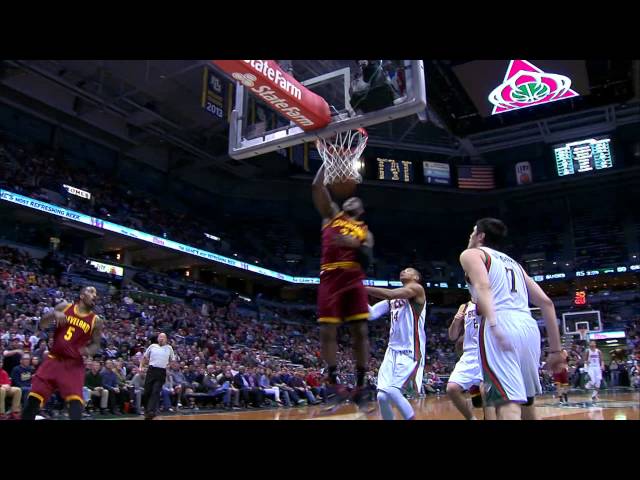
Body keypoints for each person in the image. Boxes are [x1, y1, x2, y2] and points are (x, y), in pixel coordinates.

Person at [459, 218, 565, 420]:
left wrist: (493, 324)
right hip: (528, 326)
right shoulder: (514, 264)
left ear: (481, 236)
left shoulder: (471, 254)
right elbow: (546, 303)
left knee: (507, 403)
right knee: (526, 403)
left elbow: (483, 286)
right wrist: (556, 351)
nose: (470, 236)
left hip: (501, 322)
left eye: (473, 231)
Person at [312, 164, 374, 409]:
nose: (351, 200)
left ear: (362, 210)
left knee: (360, 331)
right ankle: (333, 383)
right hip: (330, 275)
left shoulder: (365, 231)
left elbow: (369, 260)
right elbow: (316, 186)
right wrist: (328, 162)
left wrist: (356, 245)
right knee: (327, 331)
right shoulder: (332, 215)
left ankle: (360, 386)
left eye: (356, 200)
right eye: (349, 199)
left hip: (353, 277)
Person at [21, 286, 103, 421]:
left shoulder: (96, 320)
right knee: (33, 399)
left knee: (75, 403)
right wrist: (54, 313)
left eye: (96, 293)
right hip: (53, 360)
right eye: (91, 292)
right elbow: (42, 324)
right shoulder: (65, 307)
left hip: (73, 364)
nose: (95, 295)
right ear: (82, 295)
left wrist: (88, 351)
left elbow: (96, 344)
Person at [366, 267, 426, 420]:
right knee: (382, 396)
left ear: (416, 277)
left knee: (393, 391)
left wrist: (359, 287)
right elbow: (372, 314)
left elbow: (391, 293)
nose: (403, 271)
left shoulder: (417, 289)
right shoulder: (393, 300)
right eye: (403, 270)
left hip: (410, 349)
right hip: (392, 350)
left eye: (408, 270)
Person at [446, 299, 495, 420]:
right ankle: (471, 418)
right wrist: (456, 321)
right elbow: (452, 336)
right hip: (469, 354)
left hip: (486, 351)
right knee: (452, 388)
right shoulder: (464, 306)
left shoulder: (490, 299)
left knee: (485, 391)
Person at [139, 332, 175, 420]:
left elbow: (172, 360)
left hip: (161, 371)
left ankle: (151, 411)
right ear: (157, 338)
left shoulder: (169, 348)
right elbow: (144, 357)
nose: (161, 338)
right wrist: (140, 367)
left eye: (163, 337)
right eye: (160, 337)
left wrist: (168, 366)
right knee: (147, 392)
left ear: (166, 339)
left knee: (155, 391)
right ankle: (147, 410)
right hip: (151, 371)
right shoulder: (152, 346)